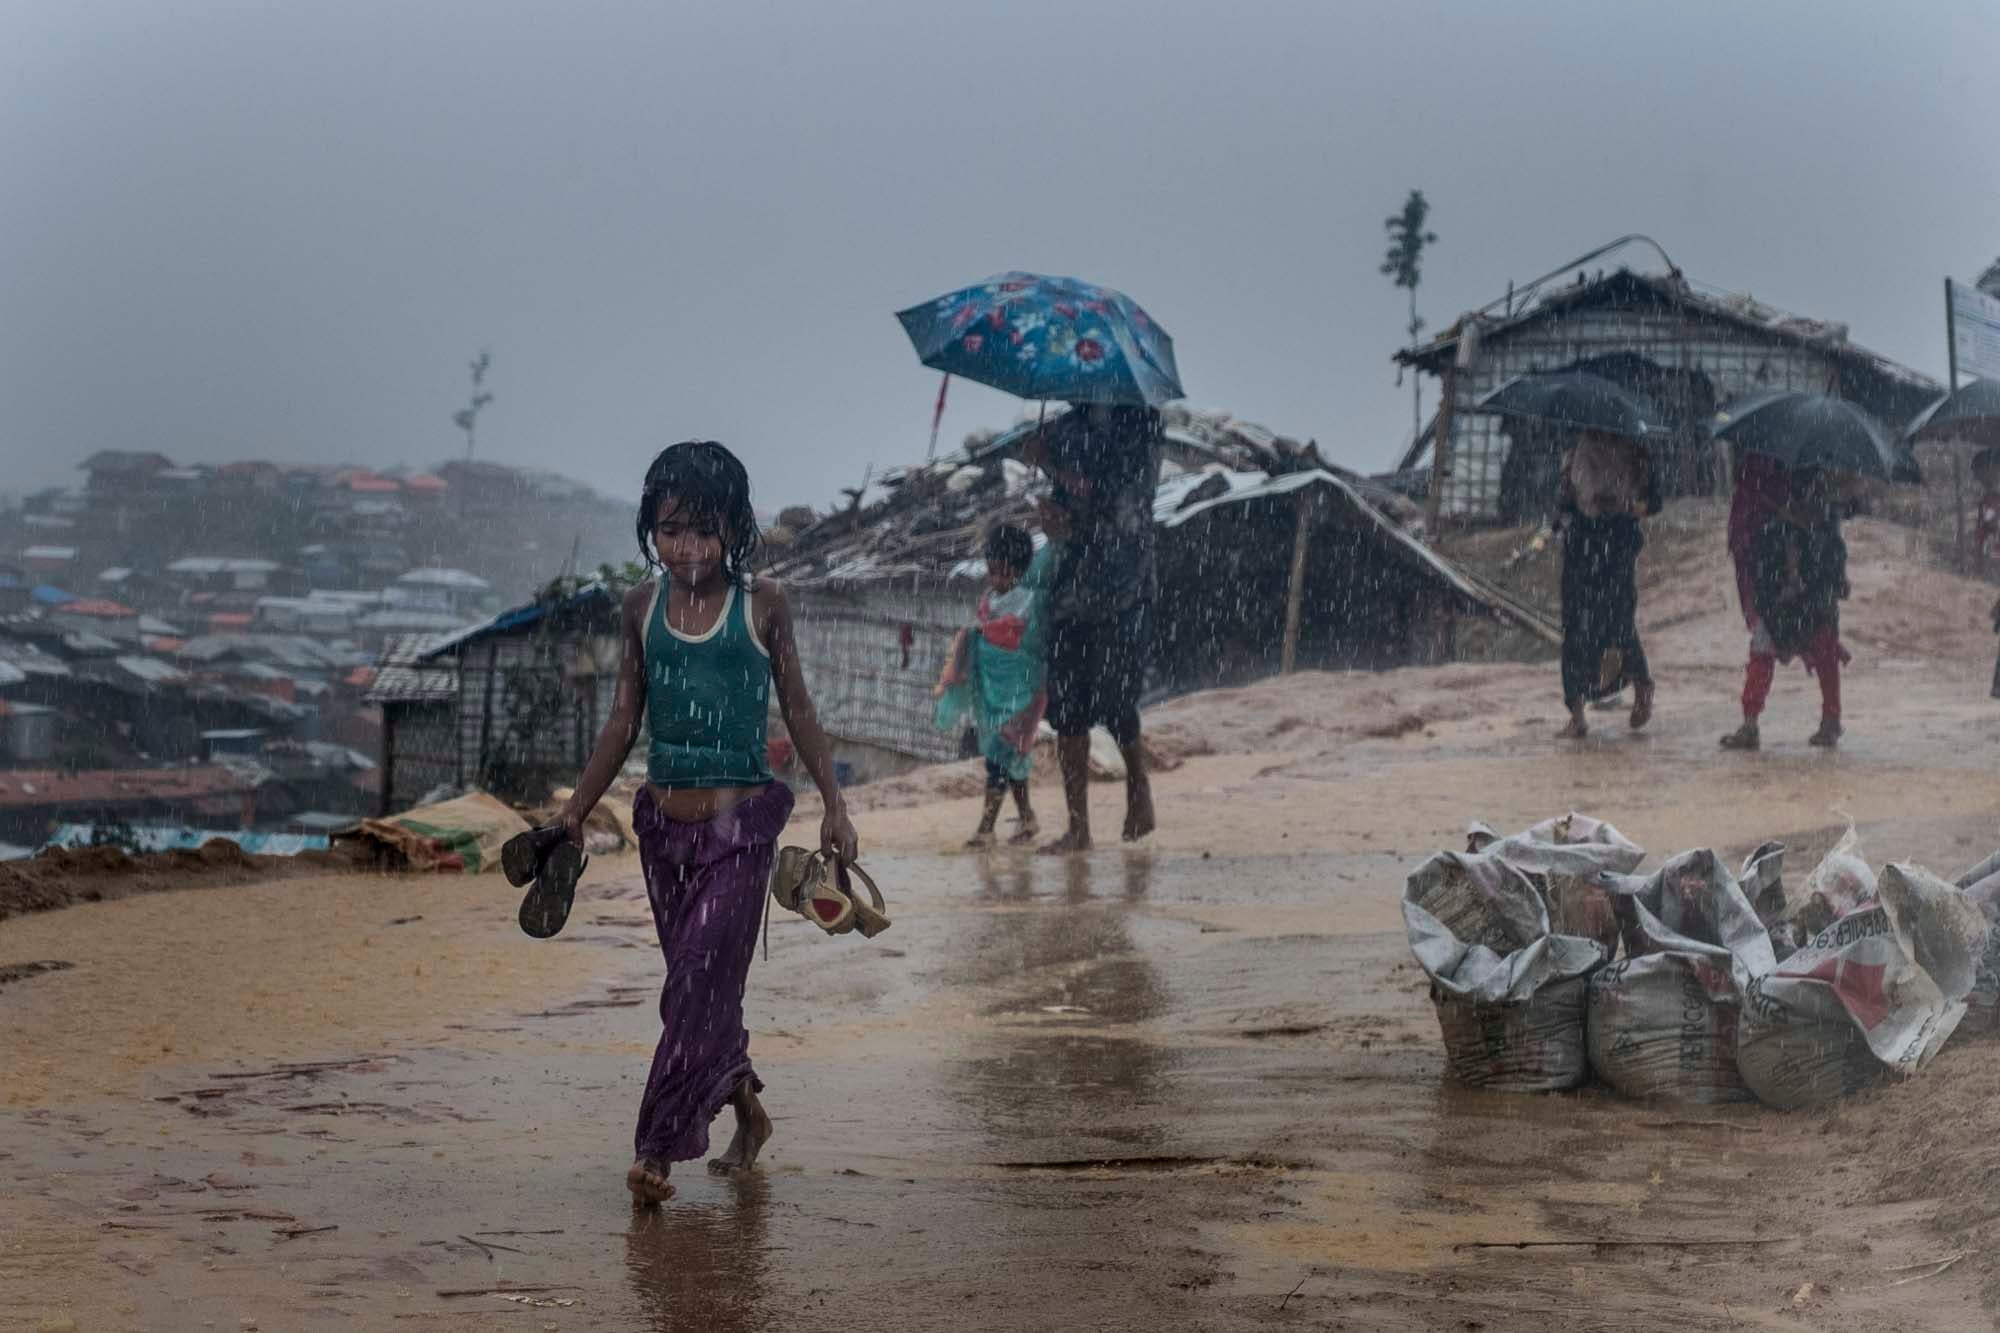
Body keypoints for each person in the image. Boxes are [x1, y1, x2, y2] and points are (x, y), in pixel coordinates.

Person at [556, 440, 859, 1206]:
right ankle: (750, 1115)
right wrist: (572, 811)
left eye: (701, 529)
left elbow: (799, 707)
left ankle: (655, 1149)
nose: (686, 548)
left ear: (734, 527)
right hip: (662, 830)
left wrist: (836, 803)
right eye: (669, 530)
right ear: (650, 531)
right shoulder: (639, 608)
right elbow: (623, 721)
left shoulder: (764, 605)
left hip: (740, 831)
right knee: (701, 991)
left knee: (694, 981)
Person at [1022, 404, 1163, 851]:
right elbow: (1069, 506)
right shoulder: (1067, 427)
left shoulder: (1141, 424)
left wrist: (1052, 466)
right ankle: (1078, 826)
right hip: (1072, 590)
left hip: (1122, 586)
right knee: (1067, 707)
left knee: (1117, 698)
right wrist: (1053, 514)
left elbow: (1118, 498)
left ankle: (1138, 787)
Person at [933, 523, 1050, 847]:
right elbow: (984, 632)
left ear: (1016, 569)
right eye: (991, 571)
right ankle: (1027, 818)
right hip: (993, 691)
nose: (994, 578)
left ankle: (986, 828)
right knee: (1011, 757)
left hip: (1020, 692)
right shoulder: (988, 600)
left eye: (1000, 572)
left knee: (998, 756)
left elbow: (1031, 645)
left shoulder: (1030, 601)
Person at [1720, 467, 1851, 751]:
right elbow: (1762, 576)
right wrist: (1782, 586)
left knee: (1825, 653)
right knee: (1761, 650)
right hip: (1779, 608)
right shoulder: (1771, 533)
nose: (1808, 510)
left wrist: (1811, 574)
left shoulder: (1826, 536)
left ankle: (1831, 720)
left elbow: (1835, 577)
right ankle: (1750, 723)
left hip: (1815, 607)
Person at [1555, 428, 1660, 739]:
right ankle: (1576, 712)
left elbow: (1653, 501)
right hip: (1582, 545)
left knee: (1618, 623)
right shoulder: (1578, 451)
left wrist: (1624, 504)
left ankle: (1641, 685)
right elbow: (1563, 501)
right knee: (1575, 627)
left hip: (1617, 543)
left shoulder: (1635, 452)